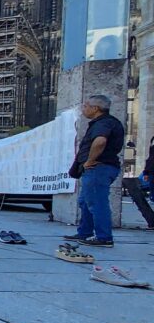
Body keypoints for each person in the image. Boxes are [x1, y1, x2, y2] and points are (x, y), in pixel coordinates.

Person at [66, 94, 124, 247]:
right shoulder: (103, 123)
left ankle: (104, 237)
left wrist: (90, 161)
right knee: (85, 201)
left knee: (97, 202)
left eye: (86, 106)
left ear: (95, 108)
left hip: (99, 168)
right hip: (98, 168)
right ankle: (85, 233)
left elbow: (100, 141)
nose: (83, 109)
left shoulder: (104, 123)